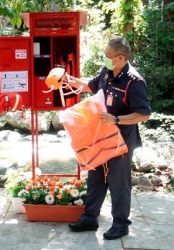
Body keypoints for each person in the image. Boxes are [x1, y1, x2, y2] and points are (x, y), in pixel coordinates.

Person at [67, 37, 151, 240]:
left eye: (108, 57)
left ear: (120, 57)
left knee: (119, 182)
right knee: (95, 177)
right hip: (100, 137)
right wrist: (68, 78)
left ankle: (121, 224)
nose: (105, 60)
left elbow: (144, 114)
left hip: (121, 140)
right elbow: (90, 86)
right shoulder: (107, 72)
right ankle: (90, 218)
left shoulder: (134, 81)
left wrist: (116, 119)